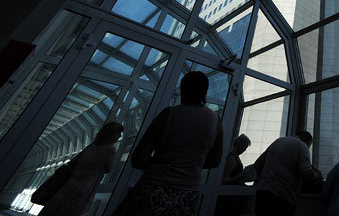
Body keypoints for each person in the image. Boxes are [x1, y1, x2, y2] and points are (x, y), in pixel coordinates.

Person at [114, 71, 223, 216]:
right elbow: (215, 161)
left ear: (183, 89)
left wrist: (165, 164)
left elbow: (138, 158)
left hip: (154, 189)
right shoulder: (215, 120)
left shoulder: (169, 114)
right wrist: (190, 165)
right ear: (205, 92)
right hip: (188, 195)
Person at [39, 121, 123, 216]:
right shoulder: (110, 150)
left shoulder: (91, 147)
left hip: (67, 186)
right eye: (118, 133)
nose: (119, 136)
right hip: (83, 189)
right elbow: (108, 169)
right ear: (110, 134)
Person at [253, 130, 320, 216]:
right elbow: (306, 172)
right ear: (307, 141)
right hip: (282, 196)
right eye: (309, 146)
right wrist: (317, 174)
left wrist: (266, 179)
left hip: (262, 194)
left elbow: (257, 164)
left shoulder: (278, 141)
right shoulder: (302, 145)